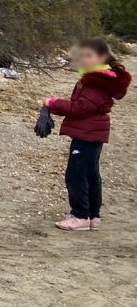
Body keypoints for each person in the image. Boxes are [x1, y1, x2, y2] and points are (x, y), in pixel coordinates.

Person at [45, 38, 131, 231]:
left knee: (76, 175)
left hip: (88, 134)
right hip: (91, 133)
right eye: (82, 55)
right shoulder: (96, 79)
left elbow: (80, 108)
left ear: (102, 58)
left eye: (89, 56)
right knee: (90, 174)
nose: (83, 59)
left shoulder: (97, 82)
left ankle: (81, 216)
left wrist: (53, 103)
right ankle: (93, 216)